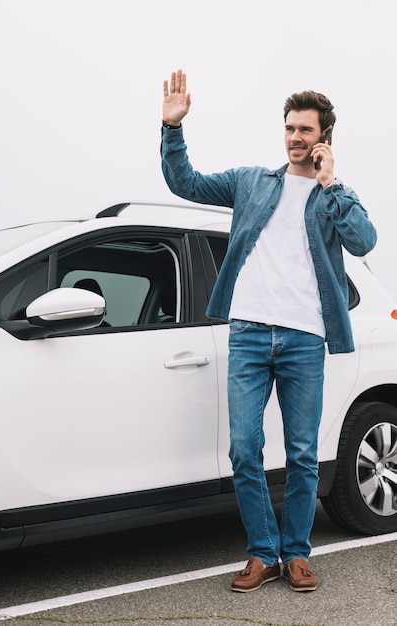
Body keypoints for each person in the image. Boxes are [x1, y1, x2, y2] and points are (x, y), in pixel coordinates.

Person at [161, 69, 377, 592]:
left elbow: (364, 240)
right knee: (243, 448)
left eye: (306, 130)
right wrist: (172, 129)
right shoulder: (252, 181)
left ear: (325, 137)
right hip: (250, 334)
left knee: (302, 452)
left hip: (305, 338)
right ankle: (263, 553)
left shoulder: (332, 196)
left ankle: (297, 553)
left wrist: (332, 182)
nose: (296, 137)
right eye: (289, 128)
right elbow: (185, 183)